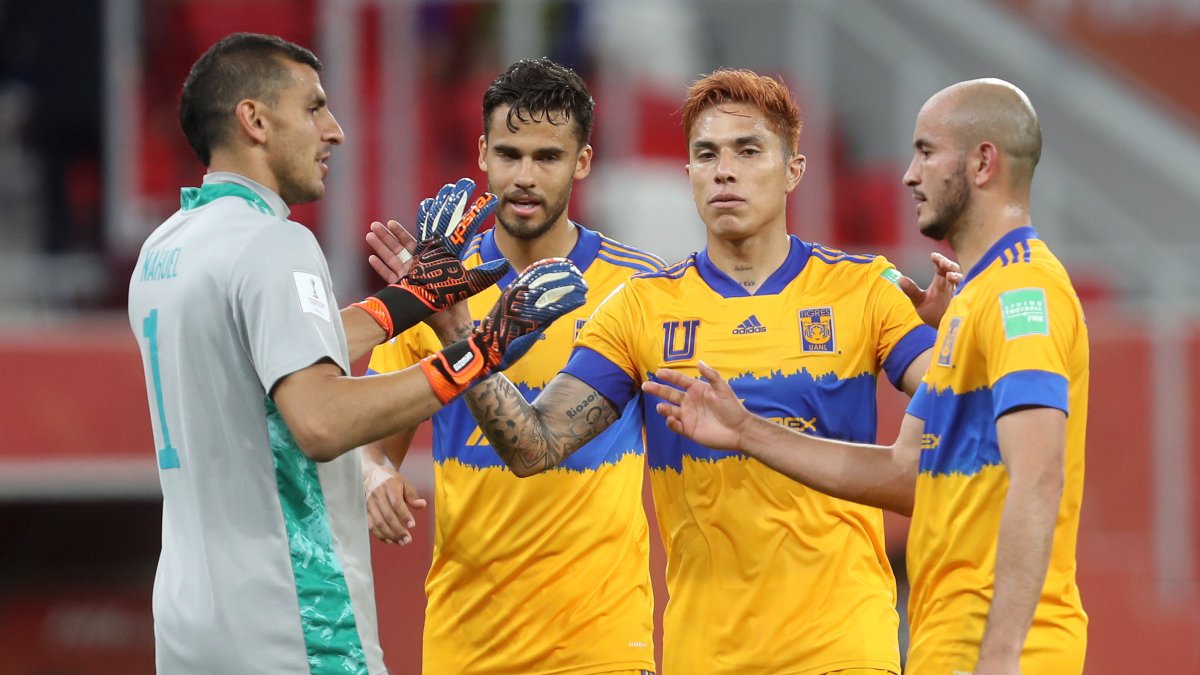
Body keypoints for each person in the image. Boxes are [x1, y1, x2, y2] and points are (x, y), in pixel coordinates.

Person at [450, 68, 963, 674]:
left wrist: (959, 330)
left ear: (793, 170)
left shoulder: (865, 289)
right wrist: (462, 337)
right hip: (705, 656)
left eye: (748, 151)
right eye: (706, 154)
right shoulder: (640, 309)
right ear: (689, 172)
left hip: (844, 652)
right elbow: (533, 446)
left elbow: (954, 426)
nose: (724, 171)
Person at [126, 33, 587, 674]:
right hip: (291, 618)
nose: (335, 131)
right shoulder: (274, 243)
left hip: (189, 621)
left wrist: (409, 300)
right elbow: (321, 421)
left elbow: (278, 353)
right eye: (314, 107)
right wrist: (481, 350)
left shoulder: (167, 247)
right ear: (254, 120)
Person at [645, 79, 1088, 675]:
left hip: (1001, 647)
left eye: (926, 152)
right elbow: (906, 474)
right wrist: (748, 431)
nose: (909, 174)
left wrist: (1003, 655)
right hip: (946, 638)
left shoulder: (1021, 291)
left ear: (983, 163)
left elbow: (1039, 474)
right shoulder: (968, 310)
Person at [362, 57, 665, 675]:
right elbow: (367, 444)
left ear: (582, 161)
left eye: (548, 157)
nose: (525, 177)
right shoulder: (433, 288)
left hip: (601, 646)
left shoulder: (639, 288)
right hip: (466, 642)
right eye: (509, 154)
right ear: (482, 154)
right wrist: (370, 478)